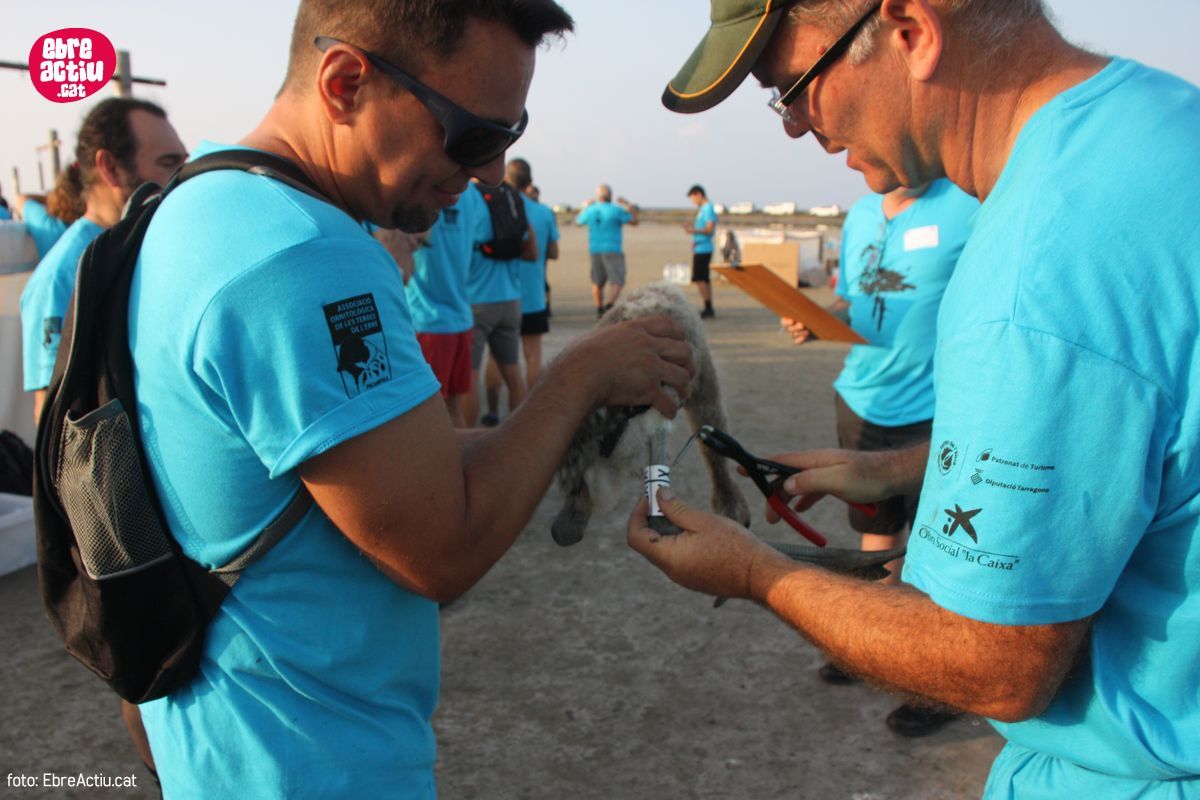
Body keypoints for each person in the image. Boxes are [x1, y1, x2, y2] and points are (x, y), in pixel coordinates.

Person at [635, 1, 1200, 796]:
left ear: (912, 32)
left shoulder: (1031, 278)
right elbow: (1137, 440)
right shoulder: (1158, 120)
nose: (793, 126)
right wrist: (900, 470)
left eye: (791, 86)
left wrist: (758, 575)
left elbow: (994, 664)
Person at [128, 2, 693, 796]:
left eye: (511, 136)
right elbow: (440, 549)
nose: (490, 173)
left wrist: (557, 423)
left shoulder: (203, 204)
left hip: (223, 745)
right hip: (313, 761)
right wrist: (579, 377)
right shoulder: (305, 256)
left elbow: (375, 466)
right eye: (474, 136)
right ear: (345, 83)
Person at [782, 178, 978, 736]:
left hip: (935, 408)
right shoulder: (861, 214)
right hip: (861, 399)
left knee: (941, 549)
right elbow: (853, 299)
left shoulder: (966, 204)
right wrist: (816, 318)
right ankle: (871, 646)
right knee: (875, 528)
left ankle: (937, 684)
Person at [19, 97, 187, 422]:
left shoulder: (155, 248)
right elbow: (52, 414)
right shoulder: (61, 277)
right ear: (110, 167)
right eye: (169, 164)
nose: (184, 178)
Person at [404, 186, 488, 427]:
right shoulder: (472, 193)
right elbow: (481, 236)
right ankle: (462, 450)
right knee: (454, 407)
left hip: (426, 317)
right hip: (461, 316)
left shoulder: (420, 186)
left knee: (427, 414)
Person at [464, 169, 536, 427]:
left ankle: (467, 438)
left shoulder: (468, 197)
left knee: (469, 377)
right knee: (513, 374)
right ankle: (523, 434)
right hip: (511, 300)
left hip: (477, 300)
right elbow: (531, 250)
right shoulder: (511, 197)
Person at [575, 183, 638, 316]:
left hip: (595, 249)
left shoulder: (591, 209)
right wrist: (629, 206)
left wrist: (585, 207)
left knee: (597, 281)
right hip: (612, 248)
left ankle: (599, 308)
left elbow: (578, 222)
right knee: (617, 280)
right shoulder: (615, 209)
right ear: (610, 195)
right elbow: (634, 221)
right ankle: (608, 306)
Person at [683, 184, 718, 318]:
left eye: (693, 198)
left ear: (699, 195)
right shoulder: (703, 209)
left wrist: (693, 230)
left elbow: (709, 229)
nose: (693, 201)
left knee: (700, 278)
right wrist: (693, 228)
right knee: (703, 278)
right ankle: (708, 306)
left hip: (704, 248)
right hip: (700, 247)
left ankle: (708, 307)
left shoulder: (708, 208)